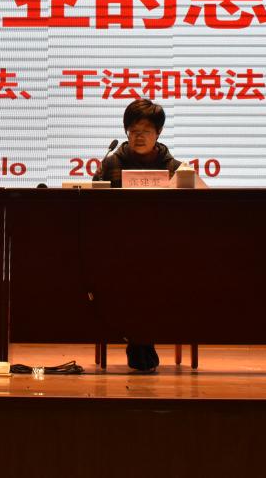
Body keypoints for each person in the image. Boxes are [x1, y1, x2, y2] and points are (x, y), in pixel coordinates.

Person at [93, 98, 182, 372]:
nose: (139, 136)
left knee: (150, 276)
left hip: (162, 252)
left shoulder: (175, 169)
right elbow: (94, 207)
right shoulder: (110, 164)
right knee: (131, 276)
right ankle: (141, 342)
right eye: (133, 131)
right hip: (118, 250)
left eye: (146, 130)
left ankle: (139, 342)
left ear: (159, 133)